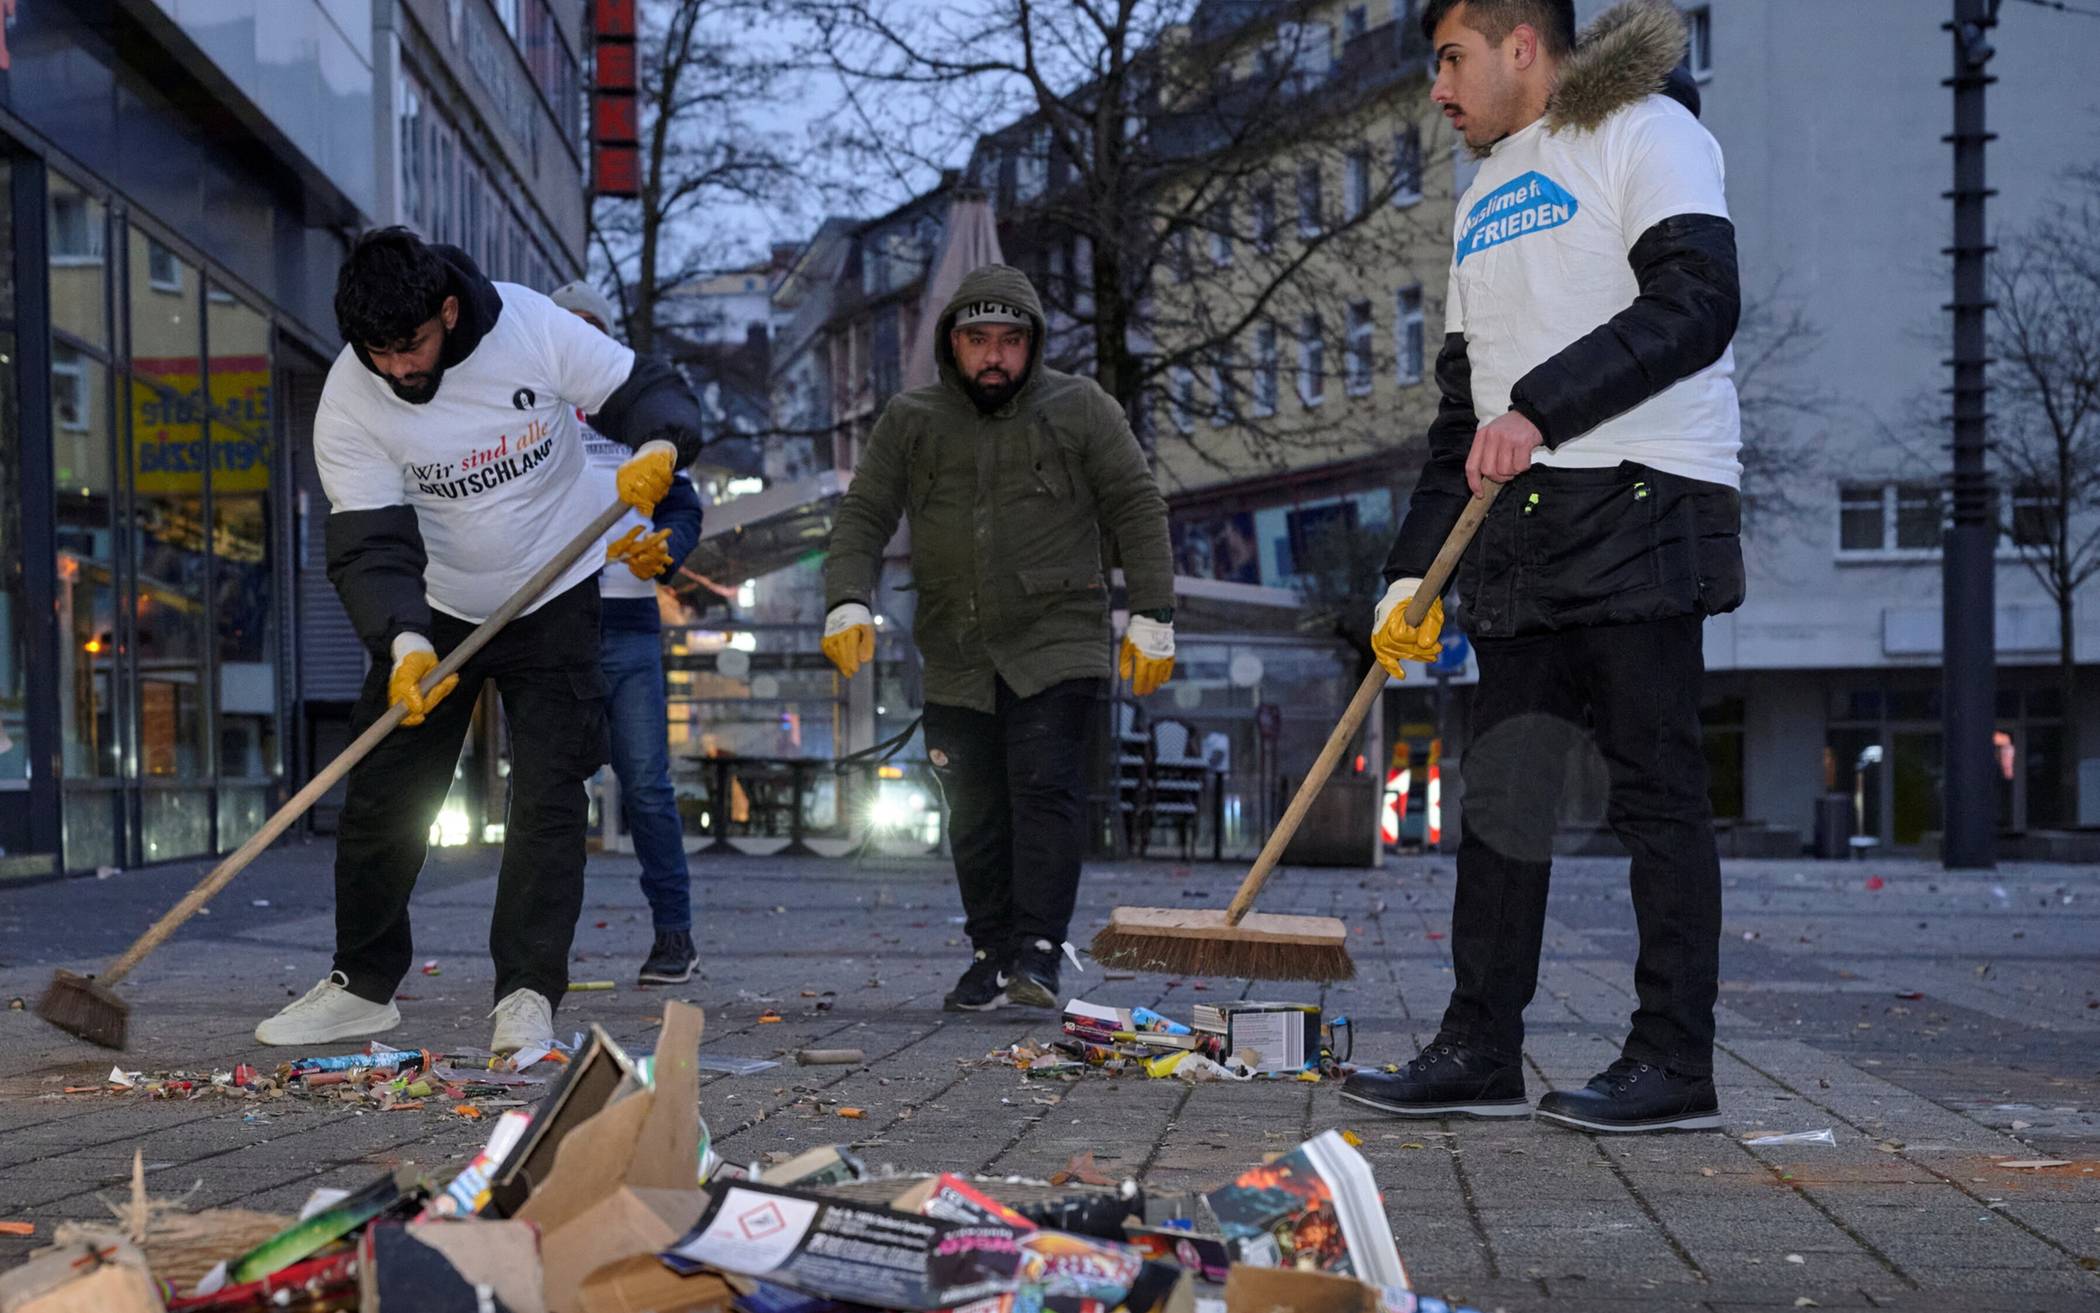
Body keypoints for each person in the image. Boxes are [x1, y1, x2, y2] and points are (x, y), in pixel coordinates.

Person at [1341, 0, 1744, 1133]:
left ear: (1522, 46)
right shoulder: (1480, 198)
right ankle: (1480, 1047)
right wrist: (1406, 577)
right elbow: (1458, 415)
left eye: (1450, 59)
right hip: (1516, 520)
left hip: (1644, 494)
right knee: (1505, 799)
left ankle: (1674, 1060)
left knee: (1655, 791)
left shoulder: (1649, 130)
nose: (1437, 89)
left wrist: (1540, 408)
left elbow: (1698, 301)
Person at [256, 228, 704, 1054]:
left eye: (412, 345)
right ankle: (362, 984)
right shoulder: (351, 398)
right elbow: (369, 543)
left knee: (547, 795)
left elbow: (647, 387)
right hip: (434, 604)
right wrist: (402, 642)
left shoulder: (530, 327)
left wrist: (659, 442)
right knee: (385, 787)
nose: (399, 368)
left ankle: (526, 994)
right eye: (379, 352)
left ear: (449, 311)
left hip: (555, 588)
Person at [821, 265, 1175, 1012]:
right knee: (973, 805)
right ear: (952, 343)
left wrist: (1153, 612)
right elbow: (865, 511)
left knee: (1044, 789)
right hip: (956, 647)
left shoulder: (1081, 407)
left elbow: (1137, 503)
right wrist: (846, 599)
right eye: (978, 339)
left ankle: (1038, 952)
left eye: (1010, 340)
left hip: (1058, 637)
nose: (994, 356)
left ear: (1033, 343)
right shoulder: (911, 419)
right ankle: (990, 950)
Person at [550, 279, 705, 986]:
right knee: (553, 790)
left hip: (631, 623)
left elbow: (683, 507)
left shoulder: (638, 415)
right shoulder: (530, 417)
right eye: (568, 326)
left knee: (646, 787)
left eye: (592, 326)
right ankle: (539, 947)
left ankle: (675, 936)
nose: (580, 337)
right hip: (554, 626)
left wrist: (667, 549)